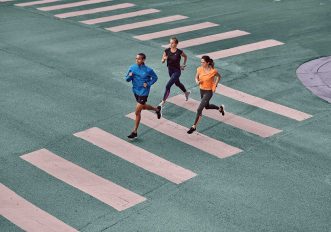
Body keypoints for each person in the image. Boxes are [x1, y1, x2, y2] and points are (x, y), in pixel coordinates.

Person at [126, 53, 161, 139]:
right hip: (135, 91)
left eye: (139, 59)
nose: (137, 60)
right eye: (136, 58)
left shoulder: (148, 70)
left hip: (144, 92)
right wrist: (130, 76)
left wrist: (148, 84)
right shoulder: (132, 68)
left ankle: (134, 131)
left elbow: (155, 78)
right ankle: (157, 109)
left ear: (143, 60)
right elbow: (127, 79)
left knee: (137, 112)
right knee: (143, 107)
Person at [187, 55, 225, 134]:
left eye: (203, 62)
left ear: (208, 63)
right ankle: (220, 109)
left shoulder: (213, 71)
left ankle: (194, 126)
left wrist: (215, 85)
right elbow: (196, 77)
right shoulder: (199, 69)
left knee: (199, 109)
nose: (201, 64)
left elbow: (219, 77)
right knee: (207, 107)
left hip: (208, 92)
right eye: (201, 62)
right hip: (201, 90)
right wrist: (197, 81)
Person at [159, 37, 191, 107]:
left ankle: (163, 101)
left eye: (172, 43)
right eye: (170, 42)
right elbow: (162, 61)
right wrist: (164, 59)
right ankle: (186, 92)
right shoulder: (166, 51)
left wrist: (183, 65)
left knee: (168, 86)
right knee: (177, 83)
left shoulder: (179, 52)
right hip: (170, 70)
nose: (171, 44)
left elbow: (185, 56)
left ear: (176, 44)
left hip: (177, 71)